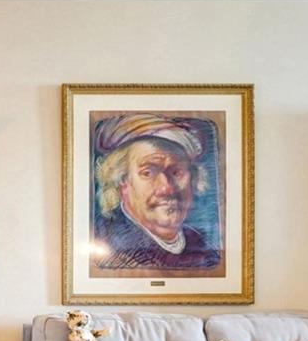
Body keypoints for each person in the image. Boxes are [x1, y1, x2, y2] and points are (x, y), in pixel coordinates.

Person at [91, 114, 221, 271]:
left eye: (176, 172)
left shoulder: (202, 245)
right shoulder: (106, 242)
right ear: (122, 181)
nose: (167, 188)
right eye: (148, 173)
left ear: (193, 179)